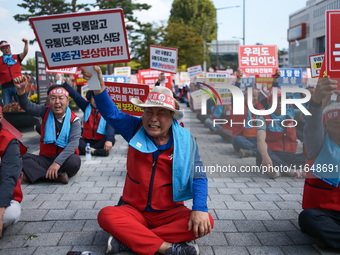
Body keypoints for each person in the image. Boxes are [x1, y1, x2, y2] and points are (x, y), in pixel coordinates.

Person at [82, 66, 213, 255]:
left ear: (171, 117)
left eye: (160, 113)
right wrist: (96, 83)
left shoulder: (186, 140)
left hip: (170, 212)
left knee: (206, 221)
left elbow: (199, 177)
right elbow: (111, 113)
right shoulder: (134, 128)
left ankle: (129, 239)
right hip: (133, 210)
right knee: (106, 215)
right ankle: (166, 248)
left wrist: (199, 208)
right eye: (148, 112)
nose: (153, 119)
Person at [13, 76, 81, 184]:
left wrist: (57, 163)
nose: (57, 101)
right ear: (49, 101)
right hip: (45, 159)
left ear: (67, 101)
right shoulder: (44, 112)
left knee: (75, 161)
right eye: (53, 98)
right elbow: (28, 106)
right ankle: (57, 177)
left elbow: (73, 144)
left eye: (60, 98)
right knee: (19, 156)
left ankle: (37, 175)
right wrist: (21, 91)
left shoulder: (74, 120)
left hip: (64, 161)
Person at [299, 76, 340, 250]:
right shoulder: (318, 145)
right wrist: (316, 100)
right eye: (337, 124)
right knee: (308, 218)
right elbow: (312, 126)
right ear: (327, 127)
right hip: (326, 213)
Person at [256, 87, 306, 178]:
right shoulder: (262, 118)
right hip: (272, 156)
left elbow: (313, 115)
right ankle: (290, 172)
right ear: (269, 103)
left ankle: (280, 170)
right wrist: (265, 156)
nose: (279, 103)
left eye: (281, 100)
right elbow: (260, 139)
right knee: (260, 153)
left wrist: (321, 99)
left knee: (310, 158)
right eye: (275, 101)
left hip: (290, 156)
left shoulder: (292, 113)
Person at [63, 82, 115, 156]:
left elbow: (111, 127)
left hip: (100, 140)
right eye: (93, 97)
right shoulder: (86, 106)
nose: (95, 100)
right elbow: (76, 96)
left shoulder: (107, 111)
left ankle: (85, 150)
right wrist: (64, 84)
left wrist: (109, 140)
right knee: (73, 139)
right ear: (90, 98)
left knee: (112, 139)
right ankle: (95, 151)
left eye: (98, 98)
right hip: (86, 139)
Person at [0, 103, 27, 237]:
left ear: (1, 117)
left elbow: (8, 177)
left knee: (10, 214)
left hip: (4, 197)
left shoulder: (9, 141)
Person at [0, 39, 28, 105]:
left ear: (10, 48)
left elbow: (25, 52)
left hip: (17, 85)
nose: (6, 50)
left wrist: (26, 43)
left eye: (7, 48)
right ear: (1, 50)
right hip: (5, 87)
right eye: (4, 49)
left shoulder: (16, 57)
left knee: (21, 104)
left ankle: (22, 115)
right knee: (7, 106)